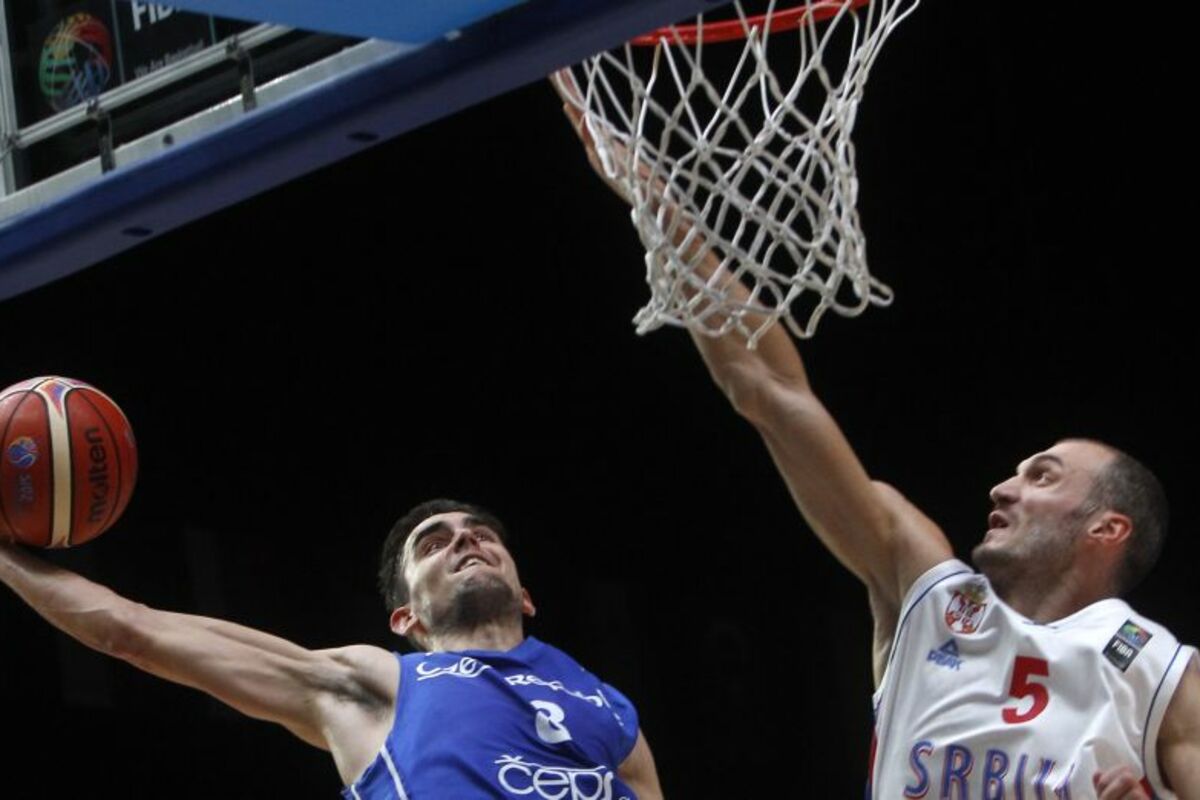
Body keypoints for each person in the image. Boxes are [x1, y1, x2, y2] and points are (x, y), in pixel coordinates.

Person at [558, 90, 1200, 798]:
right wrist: (656, 205)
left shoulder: (1164, 673)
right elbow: (767, 388)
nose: (1003, 487)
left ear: (1108, 528)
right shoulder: (924, 585)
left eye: (1043, 477)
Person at [0, 497, 662, 799]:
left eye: (482, 534)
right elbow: (131, 630)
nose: (466, 539)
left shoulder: (609, 709)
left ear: (526, 597)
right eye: (434, 543)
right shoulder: (376, 684)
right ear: (405, 617)